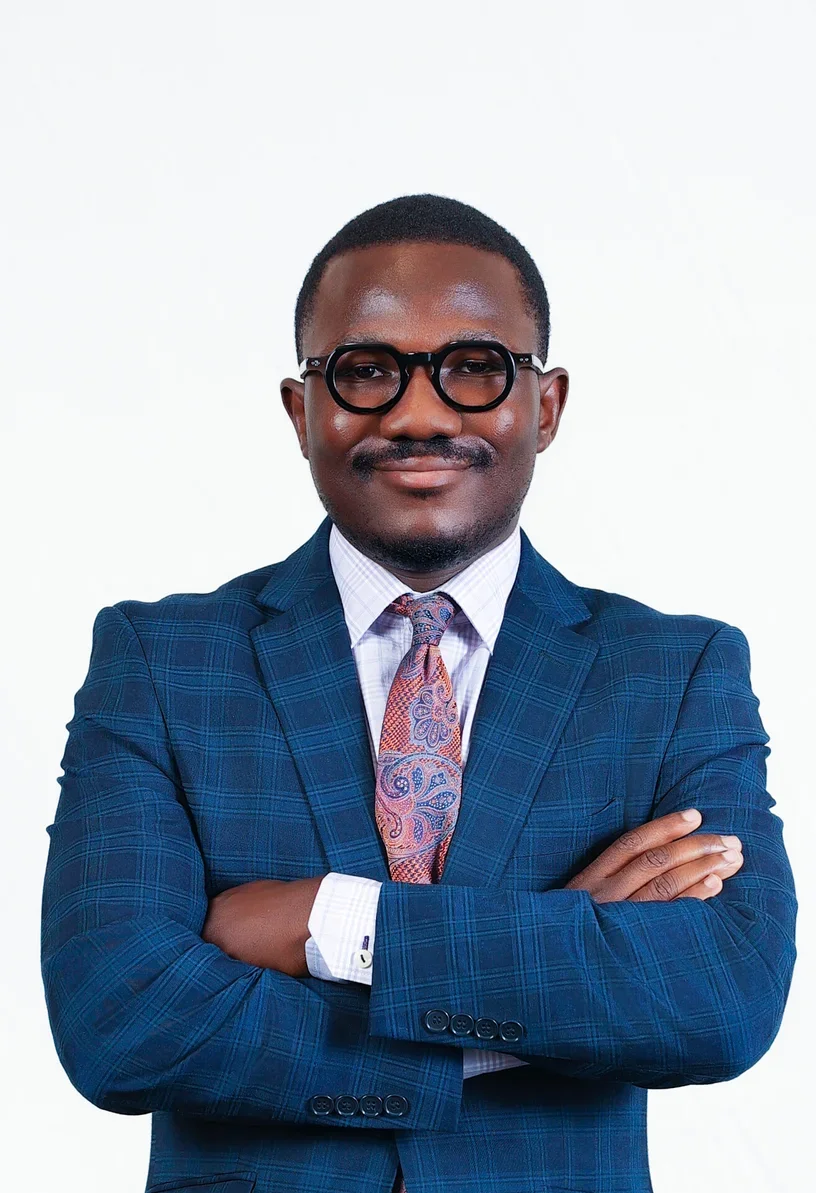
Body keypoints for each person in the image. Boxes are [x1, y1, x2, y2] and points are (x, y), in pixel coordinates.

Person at [41, 194, 797, 1193]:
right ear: (301, 407)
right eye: (366, 370)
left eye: (475, 368)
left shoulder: (672, 675)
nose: (419, 413)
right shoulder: (162, 661)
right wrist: (548, 964)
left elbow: (722, 995)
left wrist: (333, 921)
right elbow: (119, 1017)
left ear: (548, 404)